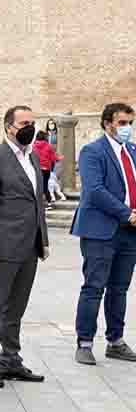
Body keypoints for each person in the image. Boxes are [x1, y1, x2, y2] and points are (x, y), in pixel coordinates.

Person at [0, 105, 49, 388]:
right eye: (23, 123)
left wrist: (44, 240)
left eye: (32, 122)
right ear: (8, 127)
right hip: (2, 247)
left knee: (16, 308)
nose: (29, 127)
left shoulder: (33, 156)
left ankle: (11, 361)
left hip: (29, 246)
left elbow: (37, 201)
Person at [72, 103, 136, 366]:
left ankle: (116, 341)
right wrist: (127, 213)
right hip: (101, 230)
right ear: (108, 123)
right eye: (122, 123)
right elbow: (95, 191)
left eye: (130, 123)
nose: (127, 128)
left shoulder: (132, 151)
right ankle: (84, 343)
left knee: (120, 288)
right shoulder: (92, 151)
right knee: (94, 287)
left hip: (129, 233)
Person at [33, 130, 61, 208]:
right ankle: (48, 203)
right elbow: (53, 158)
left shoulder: (33, 146)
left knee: (37, 185)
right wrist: (59, 158)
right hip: (46, 169)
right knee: (45, 185)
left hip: (37, 168)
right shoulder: (48, 146)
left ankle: (37, 203)